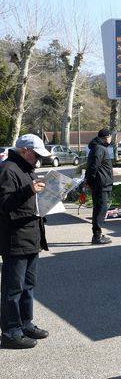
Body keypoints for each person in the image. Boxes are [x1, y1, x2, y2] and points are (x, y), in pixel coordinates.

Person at [0, 134, 51, 349]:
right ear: (23, 151)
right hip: (15, 237)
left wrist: (52, 197)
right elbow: (4, 204)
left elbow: (32, 200)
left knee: (28, 285)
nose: (38, 160)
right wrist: (29, 190)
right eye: (35, 155)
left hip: (31, 235)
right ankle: (11, 332)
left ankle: (24, 323)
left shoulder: (25, 168)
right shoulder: (8, 169)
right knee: (13, 288)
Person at [85, 128, 113, 244]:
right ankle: (97, 236)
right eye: (110, 137)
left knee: (101, 208)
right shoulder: (99, 148)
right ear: (106, 138)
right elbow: (93, 167)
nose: (111, 139)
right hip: (101, 184)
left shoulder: (99, 147)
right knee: (100, 209)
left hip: (102, 182)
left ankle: (98, 233)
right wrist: (89, 181)